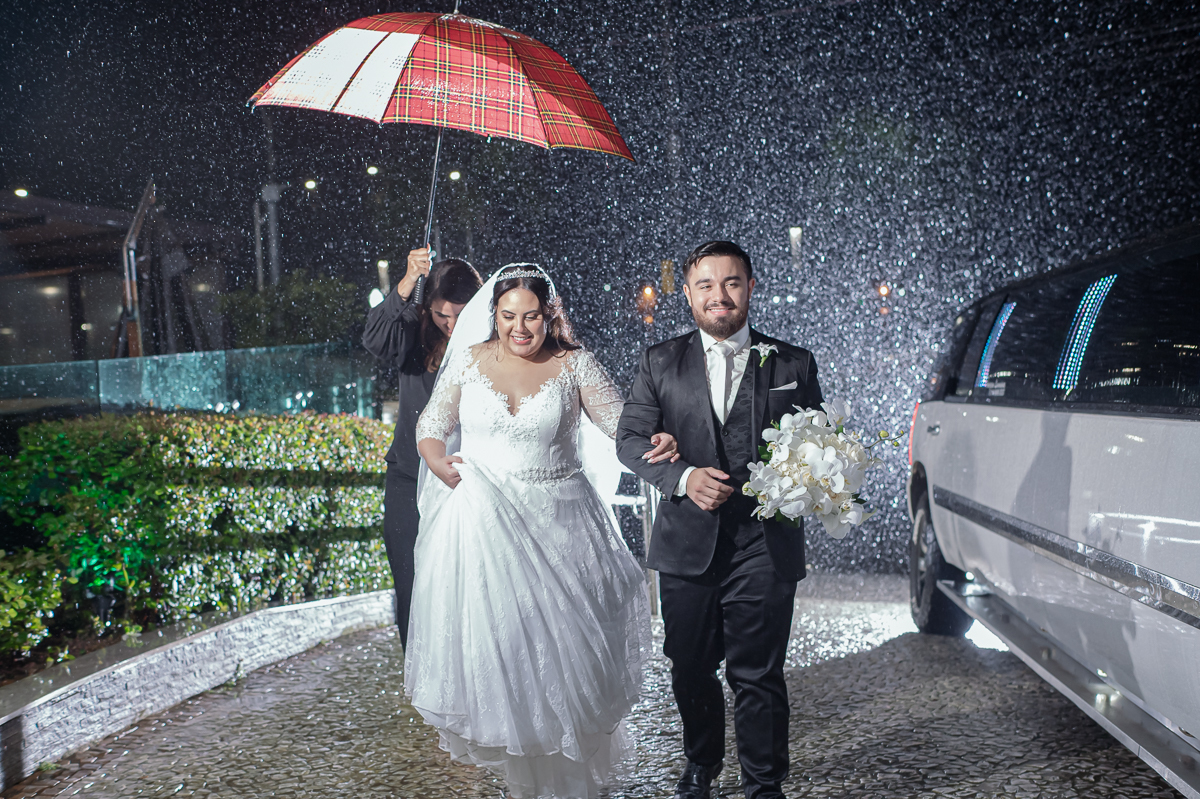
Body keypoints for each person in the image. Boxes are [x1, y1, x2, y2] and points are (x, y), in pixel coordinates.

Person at [405, 264, 676, 799]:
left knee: (565, 663)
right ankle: (523, 786)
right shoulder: (470, 360)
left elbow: (621, 425)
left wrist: (657, 439)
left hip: (562, 528)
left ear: (548, 316)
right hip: (483, 527)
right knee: (506, 653)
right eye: (508, 316)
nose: (519, 328)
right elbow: (431, 425)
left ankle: (567, 784)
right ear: (495, 314)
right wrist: (436, 460)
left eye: (530, 316)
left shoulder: (574, 365)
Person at [615, 241, 824, 799]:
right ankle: (701, 763)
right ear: (687, 294)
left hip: (764, 540)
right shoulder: (659, 361)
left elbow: (820, 443)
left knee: (757, 670)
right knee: (689, 665)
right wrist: (682, 475)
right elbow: (629, 439)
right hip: (688, 540)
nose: (719, 295)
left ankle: (763, 783)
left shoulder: (793, 363)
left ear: (750, 288)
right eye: (705, 285)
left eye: (731, 283)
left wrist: (806, 481)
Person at [361, 247, 482, 646]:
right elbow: (373, 338)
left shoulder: (490, 343)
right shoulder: (413, 337)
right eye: (442, 314)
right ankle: (418, 670)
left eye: (461, 314)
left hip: (467, 483)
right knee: (411, 585)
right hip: (408, 478)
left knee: (465, 588)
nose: (451, 324)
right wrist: (406, 284)